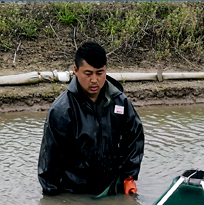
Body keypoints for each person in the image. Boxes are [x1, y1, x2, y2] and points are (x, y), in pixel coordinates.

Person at [38, 41, 145, 197]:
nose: (94, 80)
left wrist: (129, 177)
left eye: (99, 72)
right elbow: (49, 161)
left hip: (113, 188)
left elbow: (135, 137)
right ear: (76, 71)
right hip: (75, 193)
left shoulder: (120, 102)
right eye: (88, 74)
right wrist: (53, 201)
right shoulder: (61, 111)